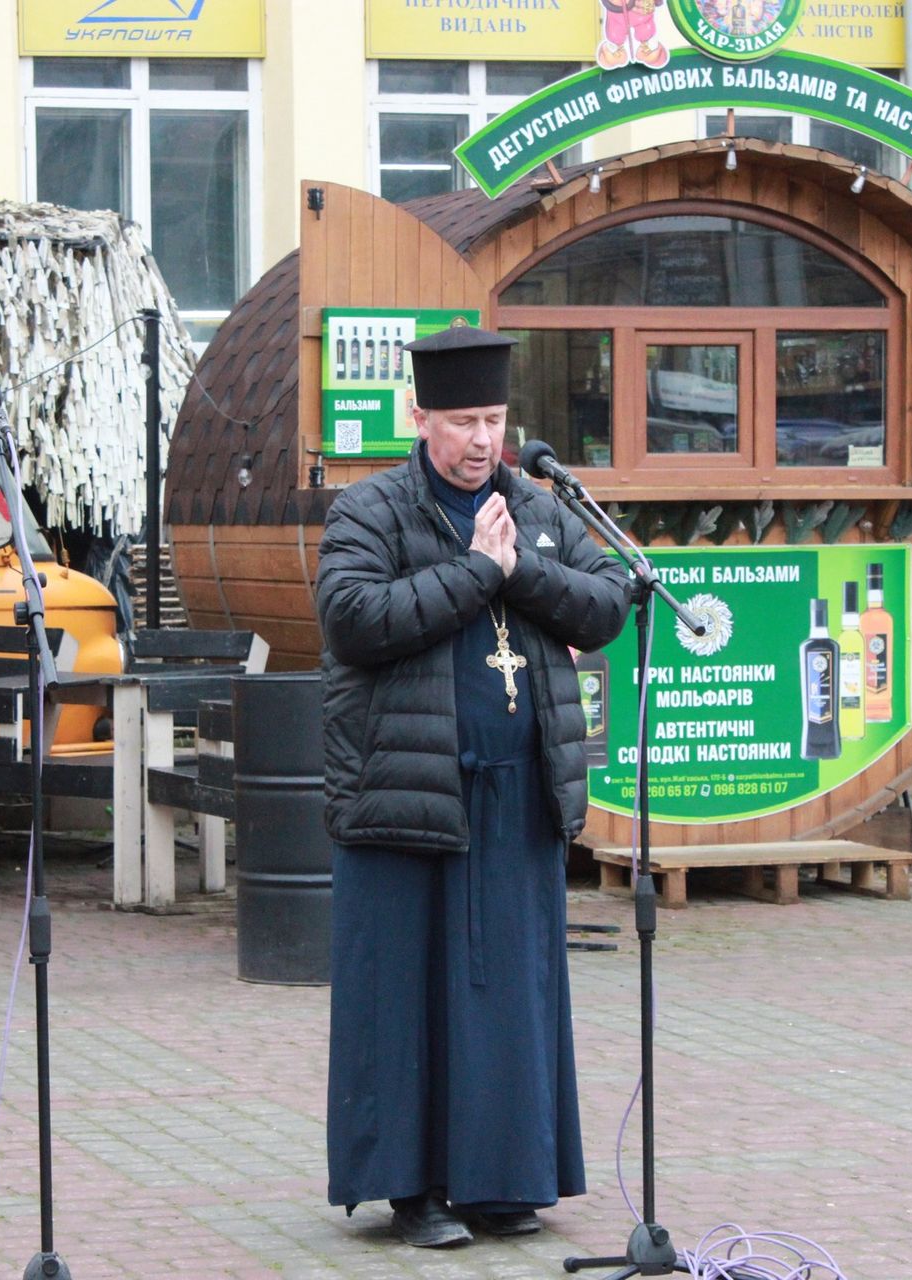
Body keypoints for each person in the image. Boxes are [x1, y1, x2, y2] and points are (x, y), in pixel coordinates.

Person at [316, 325, 633, 1248]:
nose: (481, 441)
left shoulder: (533, 507)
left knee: (506, 995)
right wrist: (476, 571)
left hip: (515, 793)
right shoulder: (370, 510)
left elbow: (609, 597)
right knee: (404, 997)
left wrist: (522, 566)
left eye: (493, 420)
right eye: (461, 422)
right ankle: (411, 1192)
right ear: (418, 418)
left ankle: (502, 1181)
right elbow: (354, 620)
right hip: (406, 792)